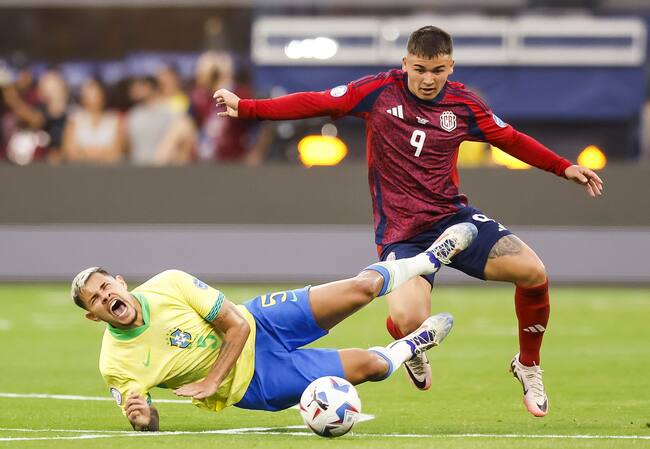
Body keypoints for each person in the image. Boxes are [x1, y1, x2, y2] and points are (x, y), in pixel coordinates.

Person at [213, 25, 604, 418]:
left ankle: (528, 365)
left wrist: (563, 167)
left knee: (533, 271)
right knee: (411, 320)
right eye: (419, 69)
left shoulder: (464, 105)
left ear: (450, 66)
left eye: (437, 70)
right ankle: (410, 345)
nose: (428, 79)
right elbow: (315, 101)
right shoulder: (378, 91)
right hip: (403, 235)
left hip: (455, 220)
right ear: (405, 64)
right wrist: (248, 108)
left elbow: (511, 139)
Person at [70, 222, 477, 431]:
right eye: (96, 300)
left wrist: (210, 381)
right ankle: (415, 343)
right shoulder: (115, 365)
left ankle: (428, 259)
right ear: (94, 316)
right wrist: (143, 421)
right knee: (369, 367)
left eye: (106, 287)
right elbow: (146, 418)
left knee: (361, 288)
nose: (106, 297)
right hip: (254, 383)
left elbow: (236, 328)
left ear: (120, 282)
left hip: (260, 322)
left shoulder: (169, 283)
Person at [62, 77, 125, 165]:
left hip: (108, 172)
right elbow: (69, 151)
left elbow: (117, 152)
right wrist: (90, 155)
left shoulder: (114, 120)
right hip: (80, 172)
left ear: (103, 95)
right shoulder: (74, 119)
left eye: (95, 94)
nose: (92, 98)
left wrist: (94, 155)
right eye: (88, 94)